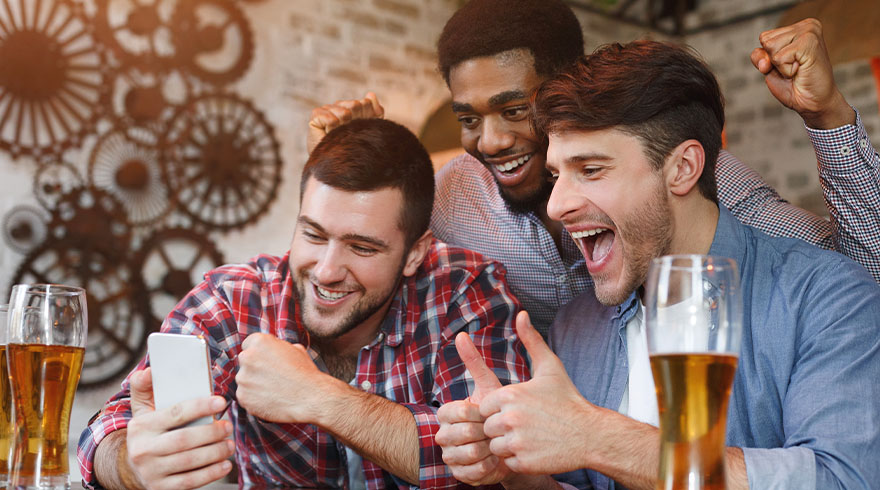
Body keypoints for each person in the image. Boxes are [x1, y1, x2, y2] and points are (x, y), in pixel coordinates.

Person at [435, 39, 880, 489]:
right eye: (556, 175)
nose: (557, 205)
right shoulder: (575, 327)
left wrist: (596, 437)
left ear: (683, 168)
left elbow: (843, 480)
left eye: (590, 170)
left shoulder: (826, 298)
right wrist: (517, 475)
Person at [307, 1, 880, 338]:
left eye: (515, 109)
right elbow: (357, 275)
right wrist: (352, 167)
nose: (492, 141)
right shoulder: (453, 198)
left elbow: (862, 275)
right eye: (468, 118)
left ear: (566, 91)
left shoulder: (685, 177)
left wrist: (827, 116)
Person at [77, 119, 530, 490]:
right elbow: (108, 429)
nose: (327, 270)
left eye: (362, 247)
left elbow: (494, 460)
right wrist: (133, 466)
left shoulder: (465, 291)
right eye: (313, 234)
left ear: (415, 253)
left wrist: (317, 396)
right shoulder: (237, 298)